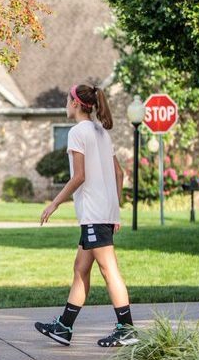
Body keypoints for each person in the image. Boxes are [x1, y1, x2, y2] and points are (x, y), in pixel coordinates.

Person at [34, 84, 138, 348]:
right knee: (80, 269)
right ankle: (64, 327)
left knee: (108, 269)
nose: (66, 105)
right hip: (101, 212)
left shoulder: (78, 132)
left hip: (93, 213)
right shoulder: (101, 131)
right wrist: (114, 210)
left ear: (77, 104)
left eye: (68, 100)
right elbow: (119, 174)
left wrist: (54, 203)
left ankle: (126, 328)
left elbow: (79, 176)